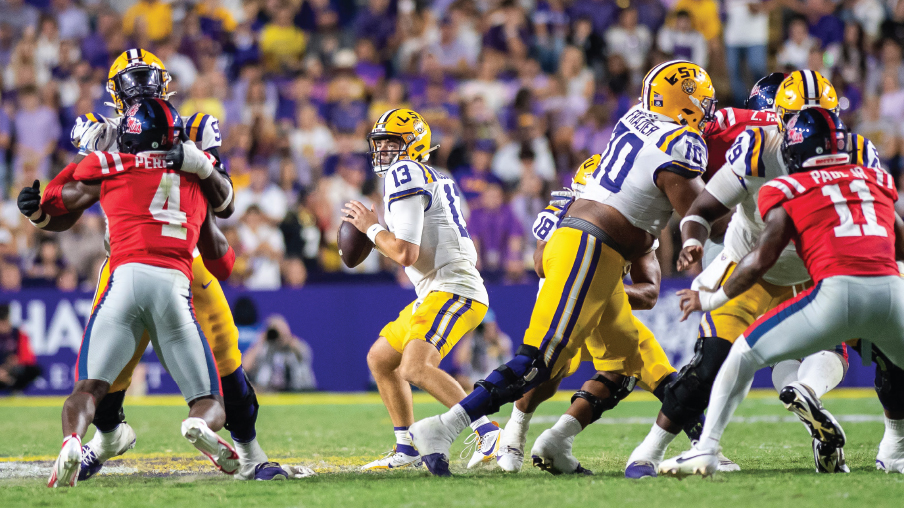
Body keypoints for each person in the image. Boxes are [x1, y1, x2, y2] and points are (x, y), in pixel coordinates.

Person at [407, 60, 716, 477]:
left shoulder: (636, 123)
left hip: (593, 253)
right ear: (684, 103)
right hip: (588, 249)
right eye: (702, 101)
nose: (709, 109)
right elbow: (705, 213)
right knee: (541, 363)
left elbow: (648, 279)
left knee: (628, 364)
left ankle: (559, 441)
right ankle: (445, 427)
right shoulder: (677, 146)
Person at [17, 49, 301, 482]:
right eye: (132, 80)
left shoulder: (188, 129)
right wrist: (42, 213)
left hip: (183, 259)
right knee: (108, 377)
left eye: (145, 77)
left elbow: (220, 203)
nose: (139, 88)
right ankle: (106, 439)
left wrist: (197, 161)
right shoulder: (107, 134)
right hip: (134, 258)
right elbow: (74, 203)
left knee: (226, 358)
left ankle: (251, 454)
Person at [627, 71, 882, 478]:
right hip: (751, 262)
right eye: (800, 118)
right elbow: (704, 208)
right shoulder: (756, 142)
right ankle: (648, 450)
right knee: (709, 363)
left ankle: (822, 405)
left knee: (838, 347)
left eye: (823, 116)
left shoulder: (856, 150)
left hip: (810, 267)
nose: (812, 128)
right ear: (777, 117)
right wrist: (694, 239)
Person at [44, 99, 234, 488]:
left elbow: (63, 197)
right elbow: (225, 213)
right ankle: (198, 424)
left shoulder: (113, 165)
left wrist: (44, 204)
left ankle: (71, 440)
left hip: (124, 280)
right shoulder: (198, 177)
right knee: (208, 398)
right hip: (174, 286)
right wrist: (203, 167)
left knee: (89, 389)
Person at [495, 156, 697, 474]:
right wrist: (590, 275)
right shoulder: (563, 210)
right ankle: (514, 436)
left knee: (631, 373)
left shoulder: (636, 226)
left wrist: (605, 289)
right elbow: (540, 264)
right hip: (564, 306)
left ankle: (557, 441)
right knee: (546, 373)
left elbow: (649, 293)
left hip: (605, 310)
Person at [341, 109, 494, 471]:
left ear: (414, 145)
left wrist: (371, 229)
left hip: (453, 287)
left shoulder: (405, 172)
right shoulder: (428, 176)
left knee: (416, 367)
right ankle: (406, 447)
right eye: (381, 143)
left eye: (393, 142)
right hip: (437, 288)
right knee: (381, 358)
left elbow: (406, 253)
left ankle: (490, 434)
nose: (384, 150)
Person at [244, 315, 316, 392]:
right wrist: (260, 341)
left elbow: (304, 354)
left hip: (297, 393)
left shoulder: (295, 346)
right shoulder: (264, 348)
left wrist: (286, 337)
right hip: (268, 394)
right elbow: (245, 366)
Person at [0, 303, 41, 393]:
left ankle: (15, 390)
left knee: (33, 370)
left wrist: (15, 362)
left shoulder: (17, 333)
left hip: (12, 370)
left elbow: (28, 357)